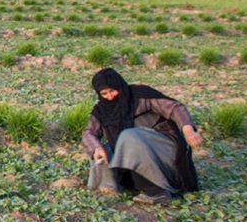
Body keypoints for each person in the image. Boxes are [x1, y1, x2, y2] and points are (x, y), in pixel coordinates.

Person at [82, 68, 203, 205]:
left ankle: (156, 192)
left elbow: (175, 108)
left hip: (163, 153)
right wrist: (96, 148)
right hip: (135, 156)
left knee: (128, 136)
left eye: (113, 91)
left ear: (120, 85)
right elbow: (88, 133)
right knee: (102, 151)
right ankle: (111, 187)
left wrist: (188, 130)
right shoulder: (101, 110)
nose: (110, 97)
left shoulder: (140, 95)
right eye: (104, 93)